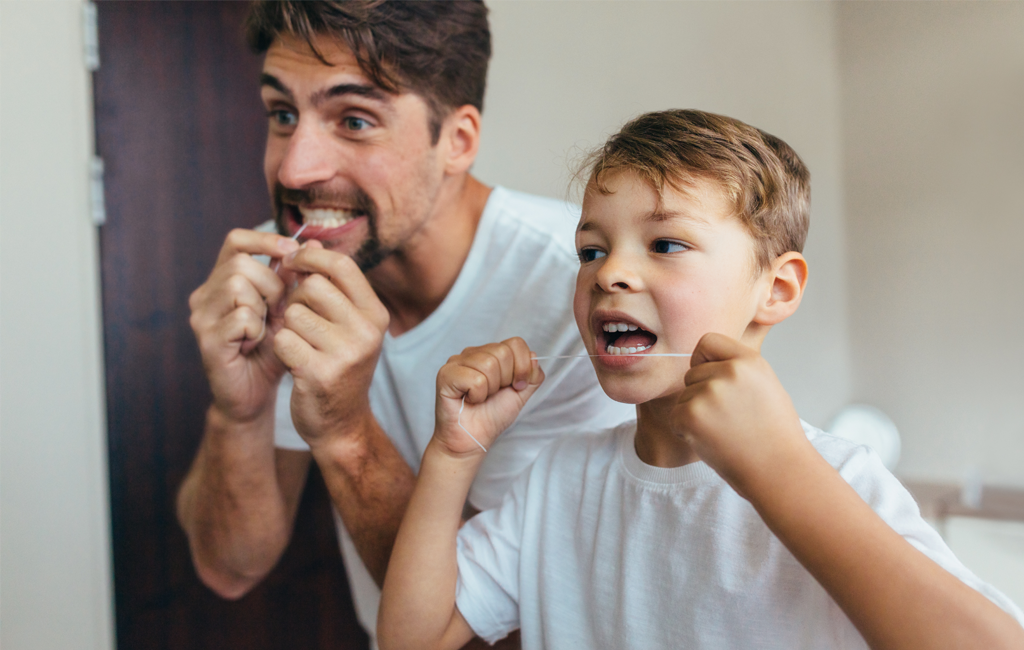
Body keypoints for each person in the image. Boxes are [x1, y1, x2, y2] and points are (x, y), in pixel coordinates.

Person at [377, 109, 1024, 649]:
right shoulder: (557, 481)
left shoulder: (835, 477)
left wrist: (777, 470)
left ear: (775, 288)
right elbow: (415, 638)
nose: (609, 274)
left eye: (665, 245)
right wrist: (453, 455)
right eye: (592, 250)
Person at [175, 1, 632, 646]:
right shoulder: (278, 274)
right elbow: (228, 567)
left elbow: (506, 633)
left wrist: (345, 433)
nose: (294, 169)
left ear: (458, 141)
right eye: (282, 114)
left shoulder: (584, 292)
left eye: (354, 120)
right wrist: (239, 412)